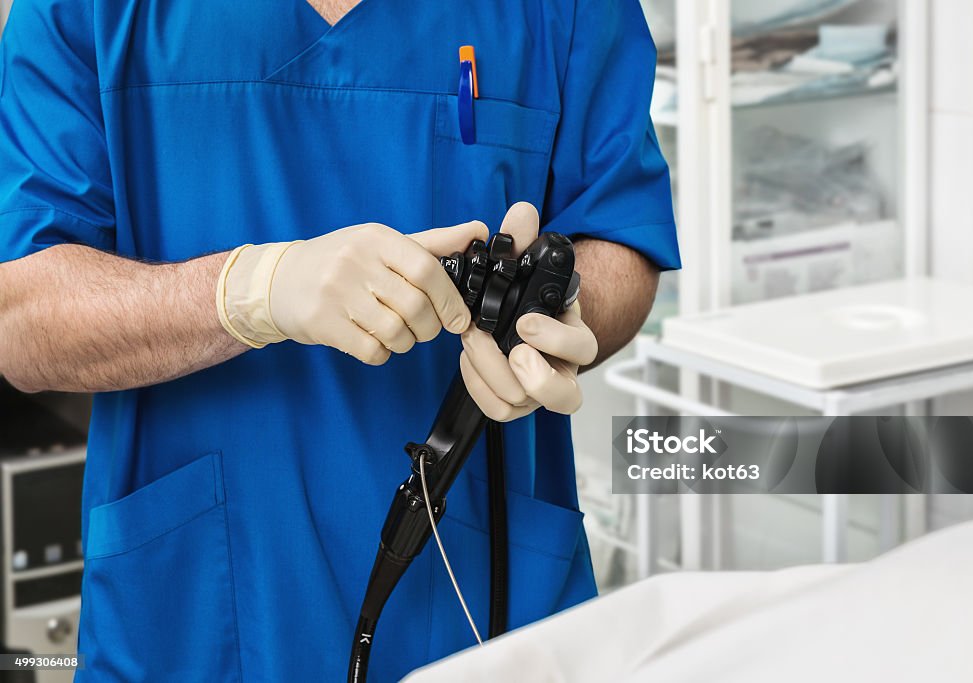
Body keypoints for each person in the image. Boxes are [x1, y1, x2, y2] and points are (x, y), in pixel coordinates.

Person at [0, 0, 680, 680]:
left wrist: (562, 312)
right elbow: (21, 315)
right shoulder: (85, 11)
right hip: (194, 614)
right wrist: (249, 289)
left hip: (483, 595)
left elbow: (620, 232)